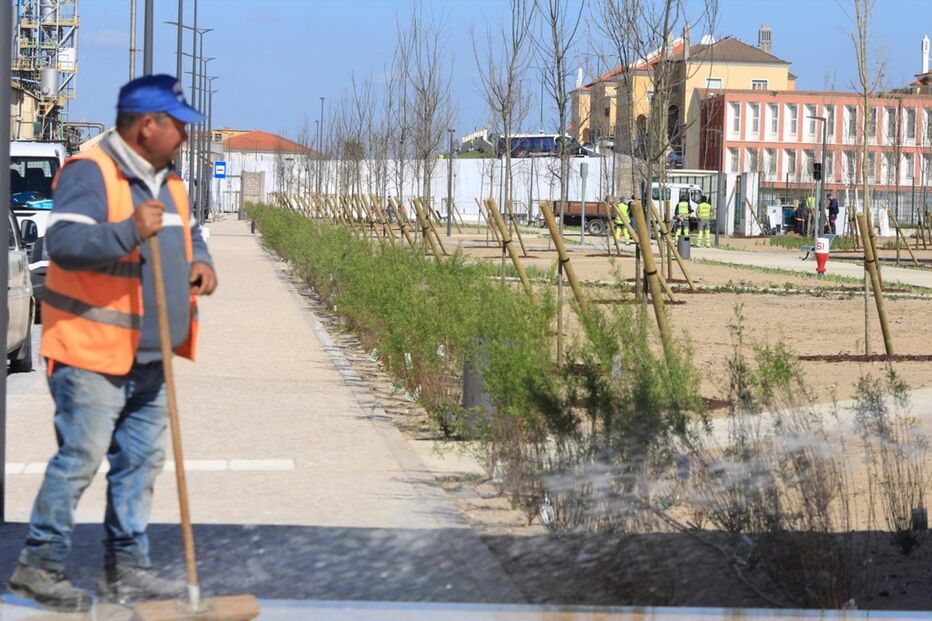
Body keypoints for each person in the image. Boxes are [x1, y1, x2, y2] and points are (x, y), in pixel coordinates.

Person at [8, 74, 218, 613]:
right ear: (147, 126)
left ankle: (127, 572)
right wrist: (127, 231)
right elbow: (65, 242)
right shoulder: (91, 173)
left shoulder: (169, 182)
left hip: (151, 354)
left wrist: (201, 263)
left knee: (139, 466)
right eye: (178, 126)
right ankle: (40, 566)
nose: (185, 137)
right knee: (80, 459)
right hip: (90, 352)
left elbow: (191, 233)